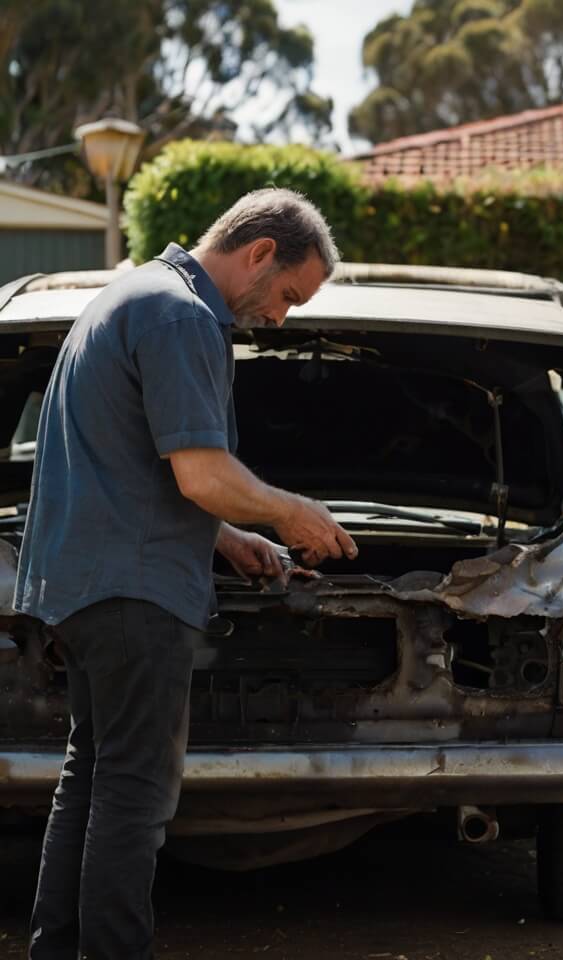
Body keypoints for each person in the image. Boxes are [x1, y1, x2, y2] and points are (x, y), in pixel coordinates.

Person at [14, 188, 358, 959]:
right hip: (134, 595)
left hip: (84, 587)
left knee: (92, 780)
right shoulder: (182, 316)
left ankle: (57, 950)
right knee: (134, 797)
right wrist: (289, 513)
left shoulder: (130, 293)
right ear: (261, 252)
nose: (282, 317)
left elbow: (138, 467)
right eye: (289, 296)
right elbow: (200, 472)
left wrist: (228, 537)